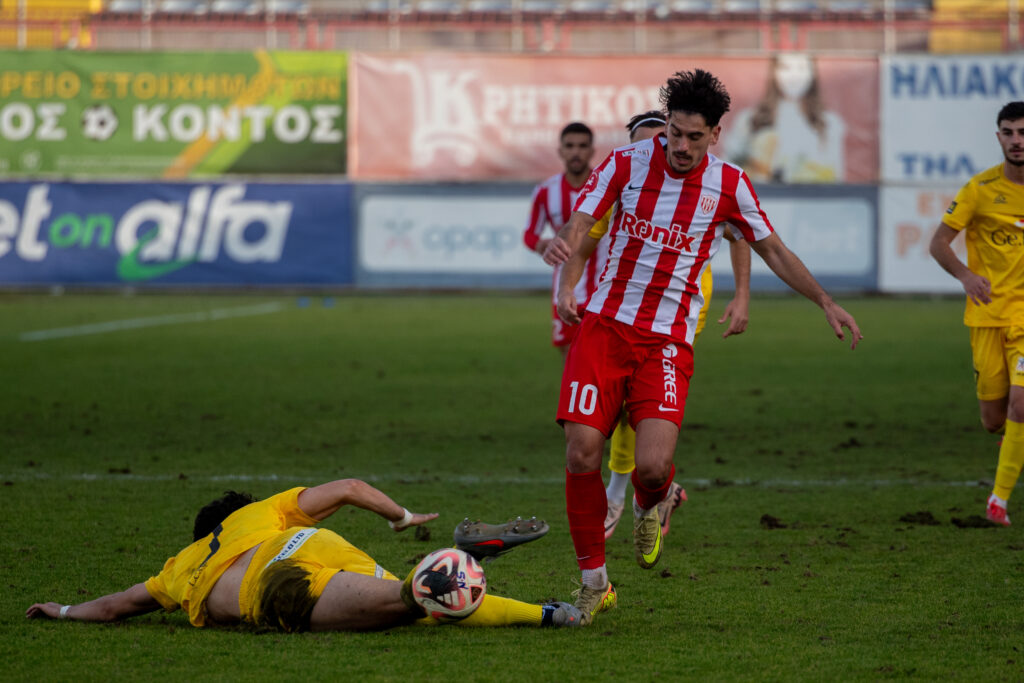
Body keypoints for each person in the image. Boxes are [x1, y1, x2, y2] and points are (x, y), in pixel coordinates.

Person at [543, 69, 862, 625]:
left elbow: (772, 249)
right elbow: (583, 222)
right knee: (581, 452)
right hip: (605, 327)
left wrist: (825, 301)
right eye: (674, 133)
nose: (681, 146)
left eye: (695, 137)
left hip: (667, 341)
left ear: (715, 134)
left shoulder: (730, 185)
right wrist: (564, 258)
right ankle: (594, 582)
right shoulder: (624, 164)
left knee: (651, 467)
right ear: (665, 125)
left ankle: (656, 498)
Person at [26, 479, 583, 630]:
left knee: (415, 600)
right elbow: (350, 487)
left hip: (276, 585)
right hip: (311, 545)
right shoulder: (260, 512)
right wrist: (401, 516)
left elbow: (118, 605)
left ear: (201, 534)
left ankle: (461, 561)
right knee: (419, 603)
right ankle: (551, 614)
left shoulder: (180, 567)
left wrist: (64, 610)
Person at [596, 111, 753, 541]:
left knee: (633, 396)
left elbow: (740, 233)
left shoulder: (708, 184)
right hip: (620, 300)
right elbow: (591, 233)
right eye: (644, 143)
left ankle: (617, 495)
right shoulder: (626, 176)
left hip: (679, 305)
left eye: (661, 140)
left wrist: (742, 294)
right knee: (614, 400)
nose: (660, 150)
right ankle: (659, 489)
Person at [928, 101, 1024, 527]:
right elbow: (938, 243)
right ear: (999, 137)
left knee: (1021, 404)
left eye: (1023, 132)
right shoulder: (980, 189)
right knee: (993, 420)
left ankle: (998, 501)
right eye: (1009, 132)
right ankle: (1014, 444)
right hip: (987, 317)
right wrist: (966, 275)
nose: (1017, 140)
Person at [523, 122, 602, 356]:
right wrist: (542, 245)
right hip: (566, 289)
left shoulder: (606, 186)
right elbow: (529, 234)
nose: (576, 152)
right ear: (561, 151)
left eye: (582, 146)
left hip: (604, 288)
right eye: (570, 146)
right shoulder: (546, 191)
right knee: (570, 358)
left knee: (602, 360)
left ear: (592, 150)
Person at [724, 53, 845, 183]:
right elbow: (728, 168)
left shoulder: (830, 123)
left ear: (812, 73)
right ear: (774, 72)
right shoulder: (749, 120)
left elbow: (836, 177)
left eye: (801, 68)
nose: (794, 76)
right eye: (786, 68)